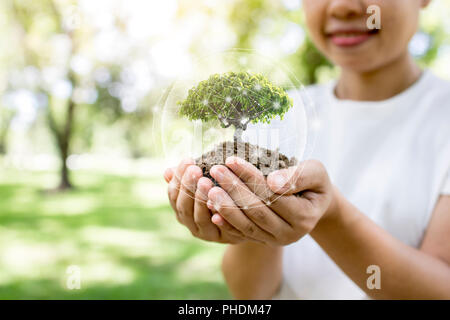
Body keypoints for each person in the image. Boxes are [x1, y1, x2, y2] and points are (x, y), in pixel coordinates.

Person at [164, 0, 450, 299]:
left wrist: (330, 217)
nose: (342, 7)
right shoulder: (279, 116)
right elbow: (252, 294)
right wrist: (249, 222)